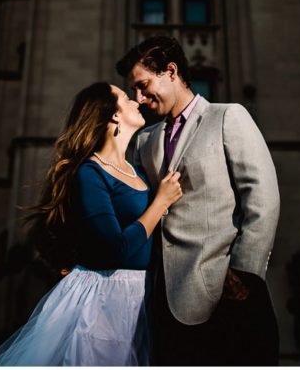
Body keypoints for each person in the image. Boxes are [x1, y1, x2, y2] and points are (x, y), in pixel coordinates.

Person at [0, 82, 183, 366]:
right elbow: (116, 249)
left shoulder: (138, 171)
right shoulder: (89, 172)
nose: (136, 102)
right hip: (104, 301)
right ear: (113, 115)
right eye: (126, 99)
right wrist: (161, 202)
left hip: (144, 297)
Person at [116, 36, 282, 366]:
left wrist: (244, 274)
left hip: (226, 293)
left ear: (171, 71)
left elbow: (262, 196)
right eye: (134, 90)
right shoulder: (146, 140)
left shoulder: (228, 117)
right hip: (162, 301)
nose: (139, 98)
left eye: (144, 85)